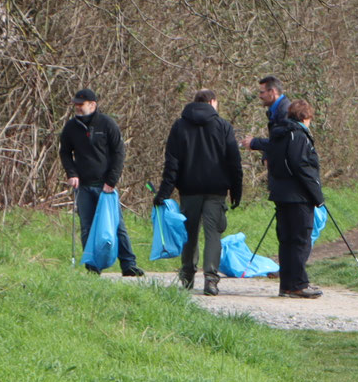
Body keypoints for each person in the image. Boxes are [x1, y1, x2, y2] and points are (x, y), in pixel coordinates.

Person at [154, 89, 243, 295]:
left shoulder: (179, 126)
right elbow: (234, 162)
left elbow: (172, 164)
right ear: (213, 102)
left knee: (189, 234)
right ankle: (211, 280)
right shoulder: (223, 126)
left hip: (189, 190)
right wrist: (236, 190)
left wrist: (164, 193)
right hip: (216, 190)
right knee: (213, 235)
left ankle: (187, 276)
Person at [243, 78, 324, 300]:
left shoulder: (277, 135)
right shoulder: (298, 136)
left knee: (287, 240)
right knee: (299, 240)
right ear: (305, 118)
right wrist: (317, 195)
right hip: (298, 197)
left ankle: (287, 285)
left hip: (280, 194)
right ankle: (298, 284)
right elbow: (301, 166)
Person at [58, 88, 144, 277]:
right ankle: (93, 266)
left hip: (105, 185)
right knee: (87, 226)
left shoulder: (107, 124)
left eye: (81, 104)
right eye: (76, 105)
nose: (77, 108)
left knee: (116, 225)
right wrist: (71, 173)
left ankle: (128, 264)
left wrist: (111, 180)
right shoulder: (71, 127)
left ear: (93, 105)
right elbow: (65, 152)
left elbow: (119, 152)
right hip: (83, 186)